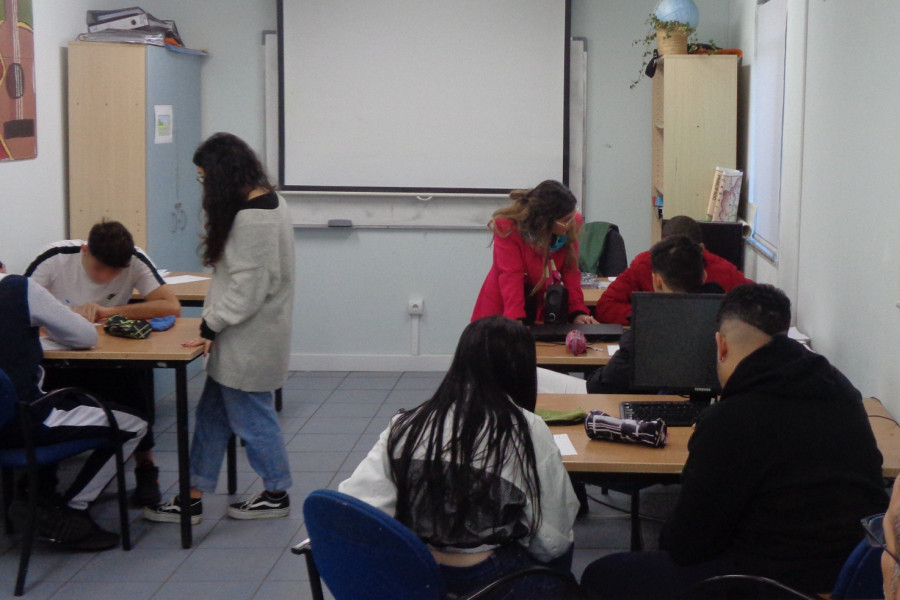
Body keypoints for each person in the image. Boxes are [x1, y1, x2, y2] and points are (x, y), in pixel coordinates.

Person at [580, 283, 888, 598]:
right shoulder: (843, 392)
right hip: (856, 577)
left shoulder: (730, 419)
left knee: (601, 575)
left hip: (771, 582)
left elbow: (685, 545)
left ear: (721, 345)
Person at [340, 316, 580, 599]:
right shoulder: (528, 428)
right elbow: (551, 542)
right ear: (522, 371)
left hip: (418, 575)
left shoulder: (407, 423)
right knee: (561, 557)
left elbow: (357, 506)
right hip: (492, 581)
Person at [144, 132, 294, 524]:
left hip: (249, 340)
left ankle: (276, 492)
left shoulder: (254, 219)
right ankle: (191, 497)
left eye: (203, 177)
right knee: (211, 415)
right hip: (244, 338)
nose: (203, 185)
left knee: (254, 418)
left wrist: (210, 325)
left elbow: (247, 290)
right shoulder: (267, 202)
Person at [24, 221, 180, 507]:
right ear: (85, 250)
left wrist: (110, 311)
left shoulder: (134, 258)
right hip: (61, 357)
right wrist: (60, 320)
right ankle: (43, 485)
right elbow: (18, 306)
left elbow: (170, 306)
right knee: (45, 394)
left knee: (135, 380)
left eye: (114, 272)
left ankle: (146, 467)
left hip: (107, 352)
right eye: (98, 268)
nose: (105, 276)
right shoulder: (55, 257)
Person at [0, 271, 148, 551]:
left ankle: (34, 494)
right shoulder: (17, 288)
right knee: (135, 425)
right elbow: (83, 335)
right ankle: (68, 508)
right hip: (23, 421)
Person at [537, 235, 722, 395]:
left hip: (622, 403)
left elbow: (602, 386)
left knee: (532, 376)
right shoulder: (720, 314)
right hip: (690, 404)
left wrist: (595, 372)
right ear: (704, 276)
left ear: (657, 280)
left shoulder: (650, 326)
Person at [471, 180, 597, 325]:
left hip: (539, 308)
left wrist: (577, 311)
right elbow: (511, 276)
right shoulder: (509, 228)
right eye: (566, 220)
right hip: (503, 308)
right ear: (545, 221)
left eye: (572, 216)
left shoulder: (570, 223)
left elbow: (571, 271)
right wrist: (516, 320)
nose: (572, 224)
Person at [595, 215, 751, 325]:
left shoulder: (723, 271)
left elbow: (755, 307)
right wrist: (656, 315)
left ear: (701, 250)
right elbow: (606, 306)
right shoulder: (645, 264)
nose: (676, 262)